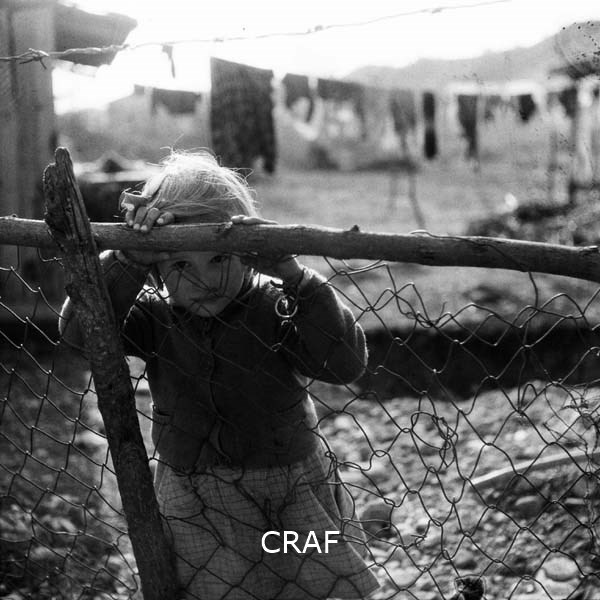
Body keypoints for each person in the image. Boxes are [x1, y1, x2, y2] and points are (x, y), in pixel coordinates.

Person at [59, 151, 379, 600]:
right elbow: (80, 334)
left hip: (289, 496)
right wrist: (128, 258)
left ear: (248, 255)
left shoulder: (275, 306)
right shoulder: (153, 318)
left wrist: (294, 276)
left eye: (219, 258)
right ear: (155, 269)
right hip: (195, 504)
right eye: (180, 265)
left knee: (314, 581)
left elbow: (344, 364)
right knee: (213, 589)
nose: (204, 280)